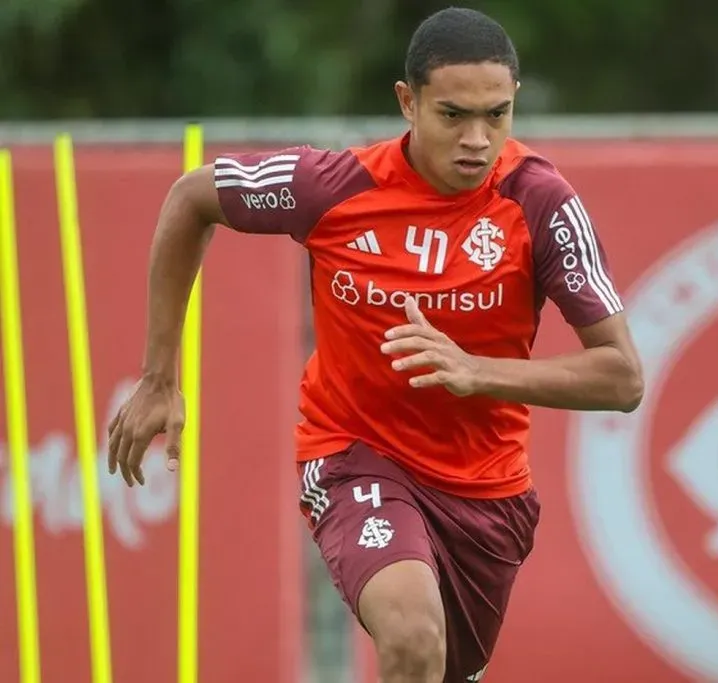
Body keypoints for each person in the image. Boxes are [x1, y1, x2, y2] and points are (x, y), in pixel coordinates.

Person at [106, 6, 644, 683]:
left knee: (443, 665)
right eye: (453, 115)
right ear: (407, 102)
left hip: (487, 494)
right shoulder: (335, 188)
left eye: (497, 115)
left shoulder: (539, 203)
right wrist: (160, 377)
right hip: (354, 456)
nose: (477, 139)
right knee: (414, 635)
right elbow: (191, 198)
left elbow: (623, 377)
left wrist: (478, 372)